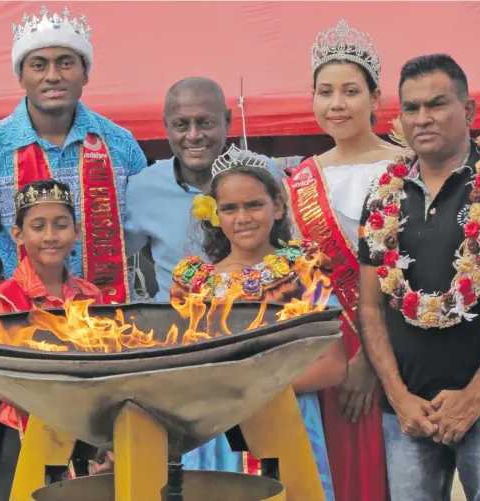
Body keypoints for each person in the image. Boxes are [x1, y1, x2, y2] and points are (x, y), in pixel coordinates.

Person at [358, 54, 480, 501]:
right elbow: (370, 305)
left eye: (436, 104)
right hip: (407, 413)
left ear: (468, 111)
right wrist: (398, 396)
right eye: (411, 108)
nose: (422, 118)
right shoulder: (384, 192)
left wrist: (475, 396)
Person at [170, 146, 347, 500]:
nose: (242, 217)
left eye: (254, 204)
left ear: (277, 207)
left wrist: (252, 390)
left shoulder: (303, 272)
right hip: (213, 430)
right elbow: (179, 365)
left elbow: (332, 365)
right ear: (215, 215)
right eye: (230, 208)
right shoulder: (194, 283)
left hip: (286, 419)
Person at [0, 5, 147, 303]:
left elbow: (144, 234)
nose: (52, 76)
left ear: (85, 73)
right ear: (21, 77)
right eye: (38, 65)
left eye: (65, 63)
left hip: (110, 324)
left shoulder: (121, 144)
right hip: (23, 324)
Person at [283, 19, 400, 501]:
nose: (336, 104)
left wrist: (370, 361)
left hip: (397, 342)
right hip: (325, 347)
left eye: (350, 91)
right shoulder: (301, 180)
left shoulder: (407, 166)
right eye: (324, 91)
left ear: (375, 99)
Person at [0, 179, 104, 498]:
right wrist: (51, 408)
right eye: (38, 226)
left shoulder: (91, 296)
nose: (50, 236)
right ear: (18, 234)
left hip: (84, 427)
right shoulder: (5, 300)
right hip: (22, 428)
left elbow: (106, 364)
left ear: (76, 231)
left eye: (60, 225)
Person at [124, 77, 285, 302]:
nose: (193, 135)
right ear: (166, 126)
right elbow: (113, 261)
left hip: (259, 322)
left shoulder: (267, 174)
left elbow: (291, 246)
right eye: (181, 125)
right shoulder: (142, 188)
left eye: (205, 123)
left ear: (227, 120)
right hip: (176, 327)